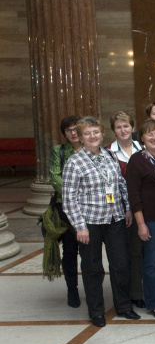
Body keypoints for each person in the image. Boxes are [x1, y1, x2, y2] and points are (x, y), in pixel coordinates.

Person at [62, 116, 139, 327]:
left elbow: (120, 184)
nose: (92, 136)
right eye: (87, 133)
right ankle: (96, 311)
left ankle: (124, 306)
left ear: (102, 134)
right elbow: (69, 199)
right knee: (93, 268)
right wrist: (80, 226)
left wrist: (127, 208)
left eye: (95, 132)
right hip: (90, 223)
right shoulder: (74, 162)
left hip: (115, 218)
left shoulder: (110, 155)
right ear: (80, 137)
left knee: (121, 264)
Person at [125, 120, 155, 319]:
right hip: (151, 219)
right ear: (142, 138)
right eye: (150, 134)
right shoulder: (137, 160)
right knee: (152, 262)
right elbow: (134, 195)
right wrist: (141, 224)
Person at [108, 111, 144, 308]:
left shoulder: (143, 148)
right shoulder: (108, 152)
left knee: (140, 252)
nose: (123, 130)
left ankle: (140, 291)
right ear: (113, 130)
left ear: (132, 127)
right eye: (118, 127)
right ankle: (128, 294)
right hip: (121, 210)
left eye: (126, 126)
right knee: (124, 254)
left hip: (144, 207)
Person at [48, 115, 83, 308]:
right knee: (70, 250)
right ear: (65, 134)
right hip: (66, 208)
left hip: (89, 207)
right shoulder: (59, 151)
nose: (73, 133)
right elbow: (55, 178)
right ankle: (72, 288)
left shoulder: (91, 149)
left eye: (76, 129)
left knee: (89, 251)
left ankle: (92, 288)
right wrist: (75, 195)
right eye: (69, 130)